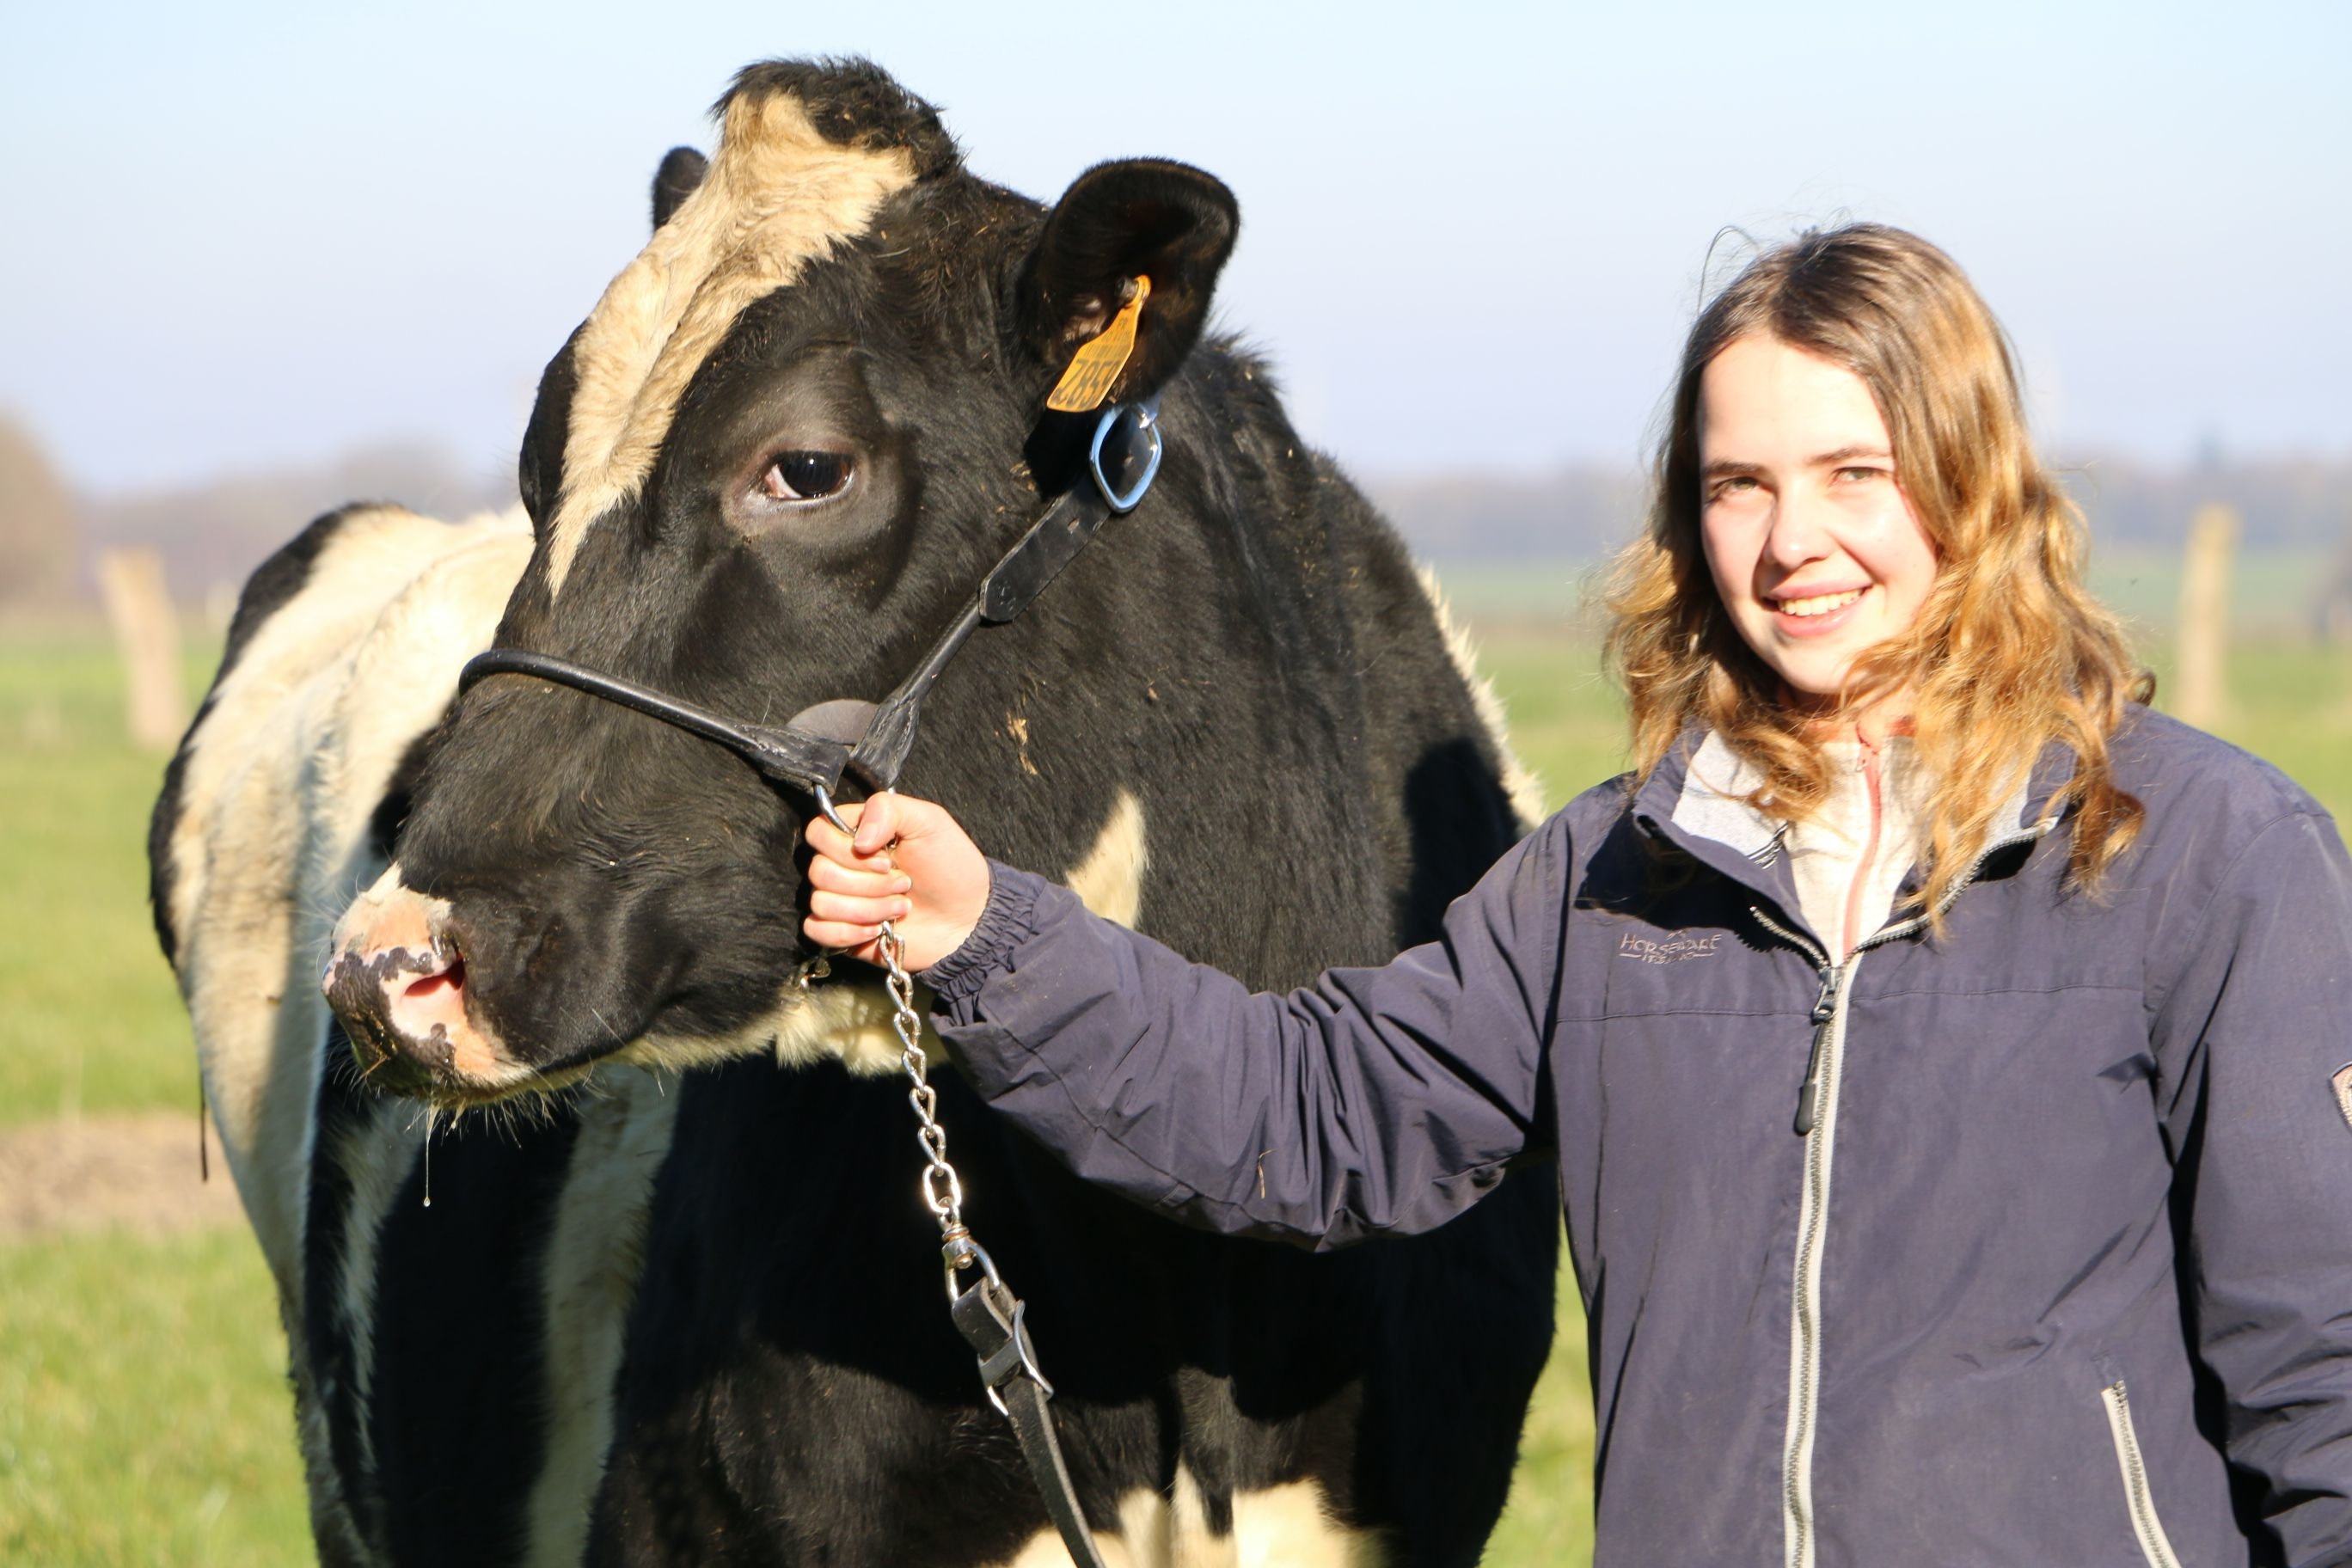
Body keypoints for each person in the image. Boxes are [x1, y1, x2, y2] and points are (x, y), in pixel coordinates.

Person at [802, 224, 2352, 1566]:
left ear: (1974, 482)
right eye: (1739, 484)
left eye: (1853, 474)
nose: (1792, 540)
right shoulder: (1616, 876)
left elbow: (2324, 1366)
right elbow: (1312, 1112)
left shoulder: (2207, 855)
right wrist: (981, 930)